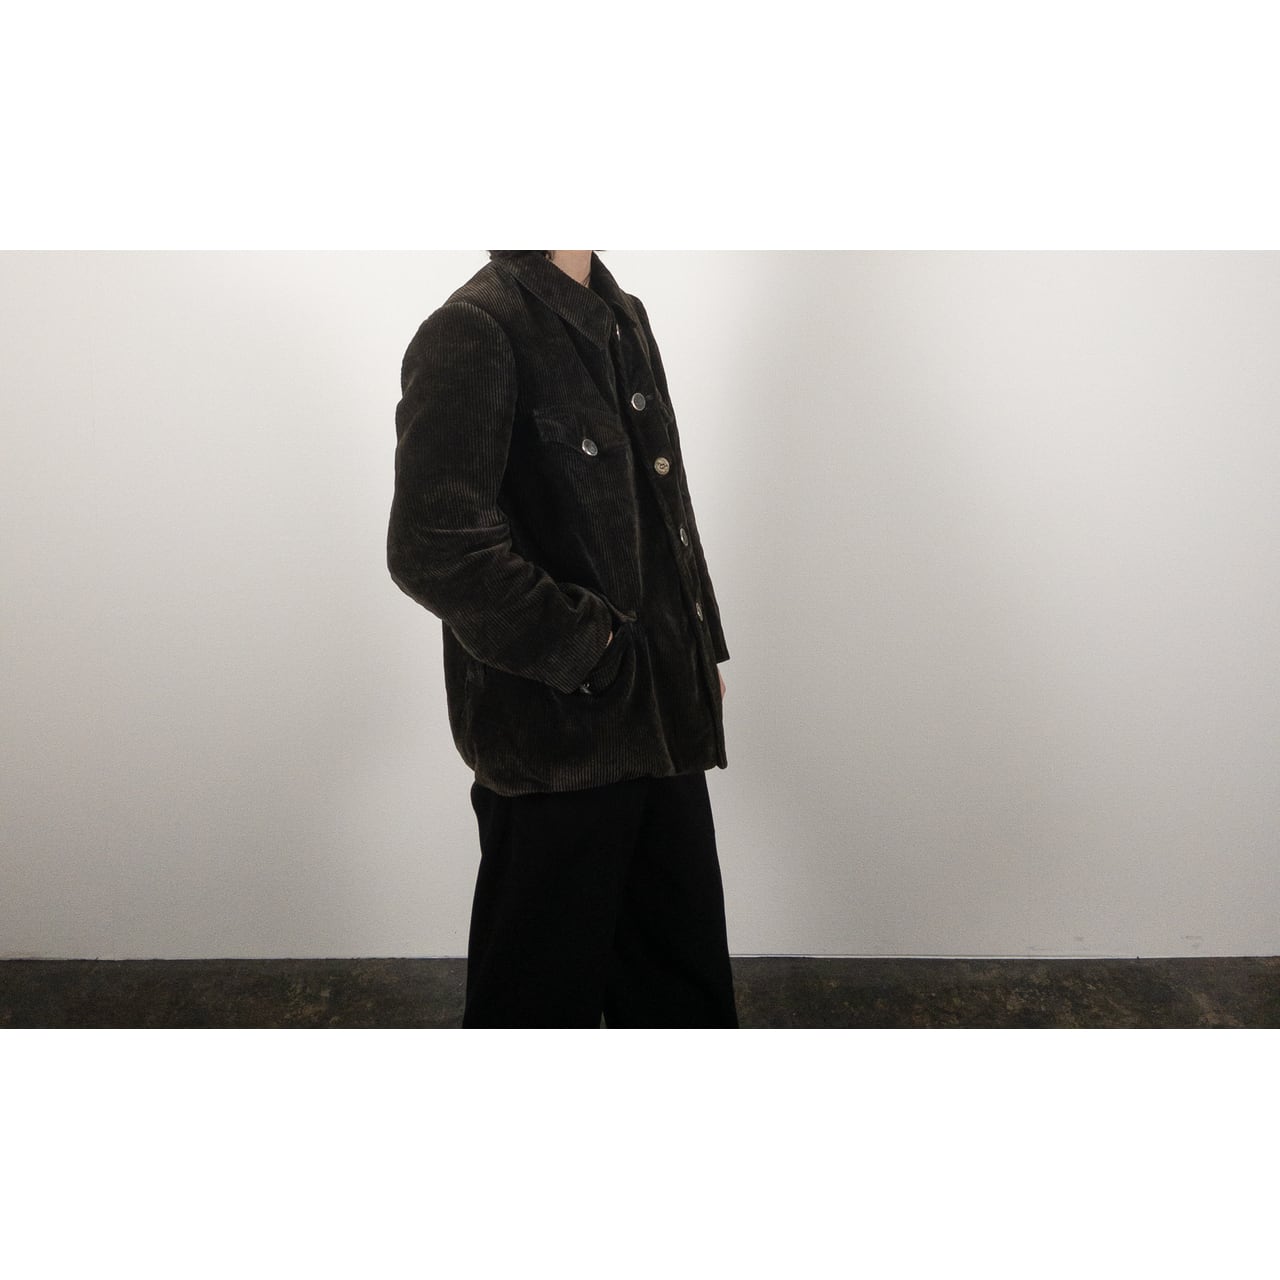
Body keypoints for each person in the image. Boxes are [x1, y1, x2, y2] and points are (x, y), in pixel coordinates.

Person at [387, 250, 737, 1028]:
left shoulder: (624, 315)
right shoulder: (475, 328)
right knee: (535, 1007)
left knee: (685, 1001)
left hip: (665, 725)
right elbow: (433, 546)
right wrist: (591, 654)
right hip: (555, 746)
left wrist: (700, 649)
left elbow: (666, 506)